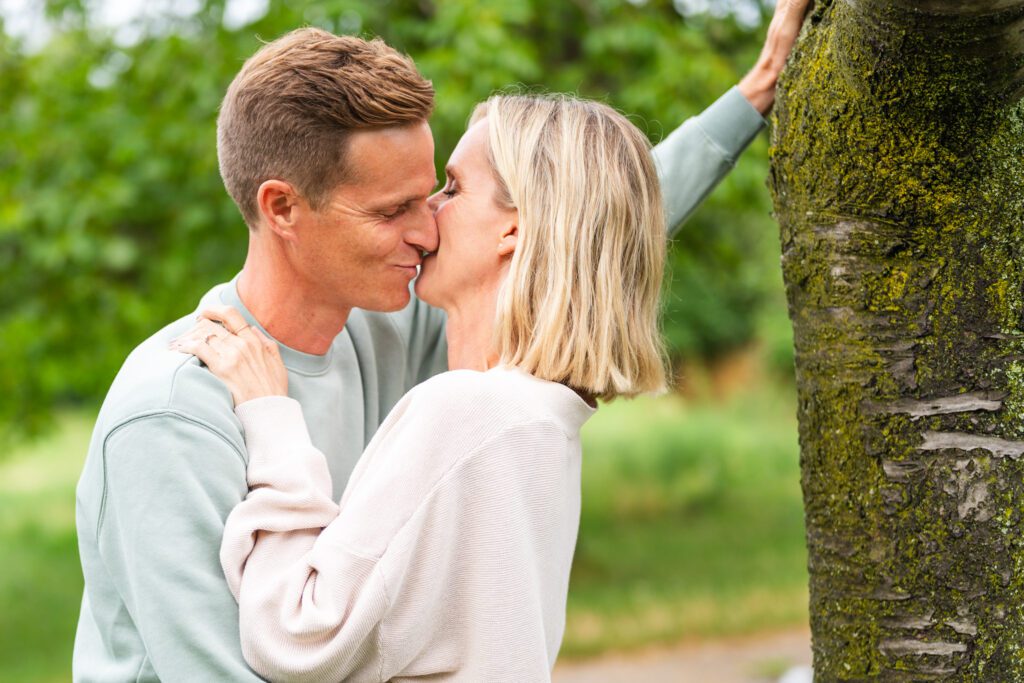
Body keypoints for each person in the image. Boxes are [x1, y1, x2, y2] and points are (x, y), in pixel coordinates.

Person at [72, 1, 811, 679]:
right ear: (283, 207)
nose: (426, 229)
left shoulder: (396, 325)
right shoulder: (175, 412)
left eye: (438, 194)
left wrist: (751, 99)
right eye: (395, 209)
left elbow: (579, 222)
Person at [175, 92, 667, 681]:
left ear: (513, 230)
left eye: (453, 190)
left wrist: (271, 416)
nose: (428, 214)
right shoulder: (544, 423)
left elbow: (297, 638)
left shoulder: (464, 412)